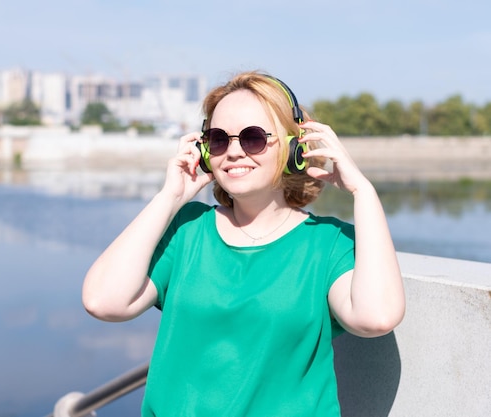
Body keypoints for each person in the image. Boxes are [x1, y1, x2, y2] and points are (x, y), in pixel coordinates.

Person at [82, 71, 406, 416]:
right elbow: (103, 301)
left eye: (252, 138)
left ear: (295, 146)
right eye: (219, 140)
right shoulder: (188, 229)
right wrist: (170, 197)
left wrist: (363, 192)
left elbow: (377, 317)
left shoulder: (326, 243)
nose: (234, 152)